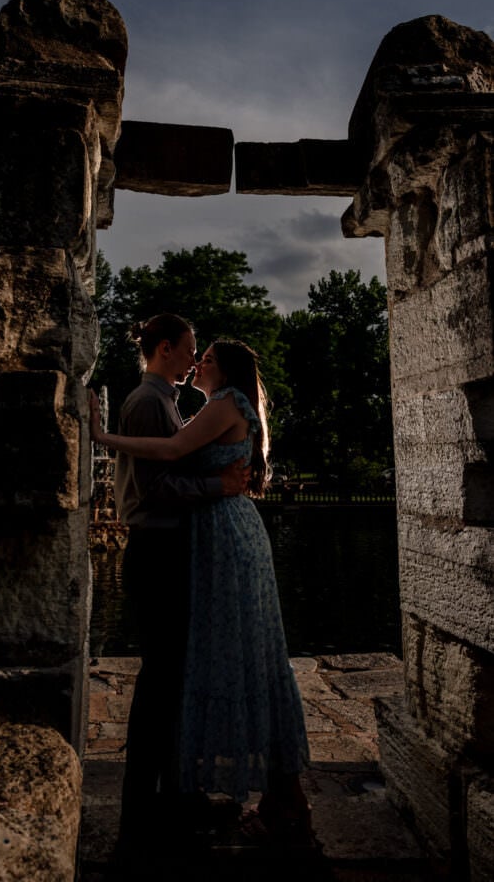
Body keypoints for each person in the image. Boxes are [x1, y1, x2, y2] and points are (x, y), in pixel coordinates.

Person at [90, 337, 313, 846]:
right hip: (220, 531)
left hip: (225, 534)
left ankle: (285, 799)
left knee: (248, 657)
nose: (198, 363)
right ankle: (278, 797)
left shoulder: (225, 403)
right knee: (246, 656)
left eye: (206, 358)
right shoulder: (218, 405)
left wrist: (104, 437)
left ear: (225, 370)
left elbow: (171, 451)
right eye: (196, 353)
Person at [99, 315, 250, 853]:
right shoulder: (148, 403)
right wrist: (218, 485)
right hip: (157, 551)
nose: (193, 361)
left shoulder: (164, 402)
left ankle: (169, 795)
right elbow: (157, 487)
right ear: (165, 349)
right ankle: (144, 806)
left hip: (167, 550)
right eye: (189, 351)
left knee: (171, 679)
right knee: (161, 681)